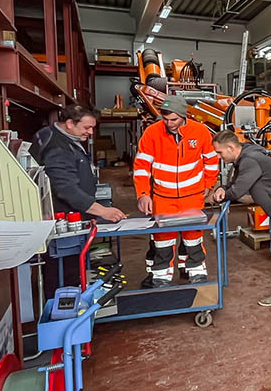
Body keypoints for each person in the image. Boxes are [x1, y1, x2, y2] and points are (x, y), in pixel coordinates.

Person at [209, 130, 271, 312]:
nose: (218, 156)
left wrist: (223, 195)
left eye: (219, 152)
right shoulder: (243, 159)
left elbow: (238, 191)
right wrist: (222, 188)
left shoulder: (249, 160)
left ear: (230, 147)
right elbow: (235, 183)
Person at [40, 104, 125, 298]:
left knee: (73, 272)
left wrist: (88, 214)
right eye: (87, 128)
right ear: (69, 123)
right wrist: (102, 211)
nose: (91, 132)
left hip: (77, 218)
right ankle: (65, 319)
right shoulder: (57, 147)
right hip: (64, 224)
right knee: (65, 276)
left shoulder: (66, 139)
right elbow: (66, 188)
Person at [133, 96, 219, 287]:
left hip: (193, 197)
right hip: (162, 198)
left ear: (184, 116)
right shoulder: (152, 133)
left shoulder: (200, 131)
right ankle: (161, 278)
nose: (169, 123)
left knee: (193, 237)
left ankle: (196, 273)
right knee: (162, 240)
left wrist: (209, 184)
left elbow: (211, 161)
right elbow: (141, 166)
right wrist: (143, 194)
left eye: (174, 119)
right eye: (165, 119)